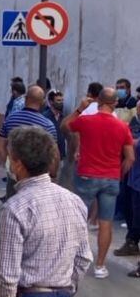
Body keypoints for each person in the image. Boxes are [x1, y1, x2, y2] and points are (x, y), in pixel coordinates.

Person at [0, 126, 92, 297]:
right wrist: (64, 287)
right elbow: (83, 257)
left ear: (18, 164)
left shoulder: (15, 207)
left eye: (10, 157)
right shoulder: (74, 201)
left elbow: (7, 275)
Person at [61, 87, 135, 279]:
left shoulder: (86, 121)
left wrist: (79, 108)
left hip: (86, 175)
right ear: (115, 104)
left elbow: (65, 126)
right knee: (105, 223)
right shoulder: (122, 127)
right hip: (110, 178)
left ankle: (69, 262)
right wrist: (119, 172)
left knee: (78, 220)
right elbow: (130, 157)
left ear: (98, 101)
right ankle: (100, 266)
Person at [0, 85, 58, 201]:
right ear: (42, 102)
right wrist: (53, 172)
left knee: (12, 200)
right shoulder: (47, 124)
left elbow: (1, 141)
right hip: (37, 172)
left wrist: (7, 160)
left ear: (26, 99)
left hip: (15, 169)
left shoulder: (11, 118)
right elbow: (54, 152)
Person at [115, 100, 140, 260]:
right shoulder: (133, 123)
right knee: (130, 212)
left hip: (137, 181)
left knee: (137, 216)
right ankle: (131, 242)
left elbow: (133, 143)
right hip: (133, 178)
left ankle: (132, 241)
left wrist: (127, 140)